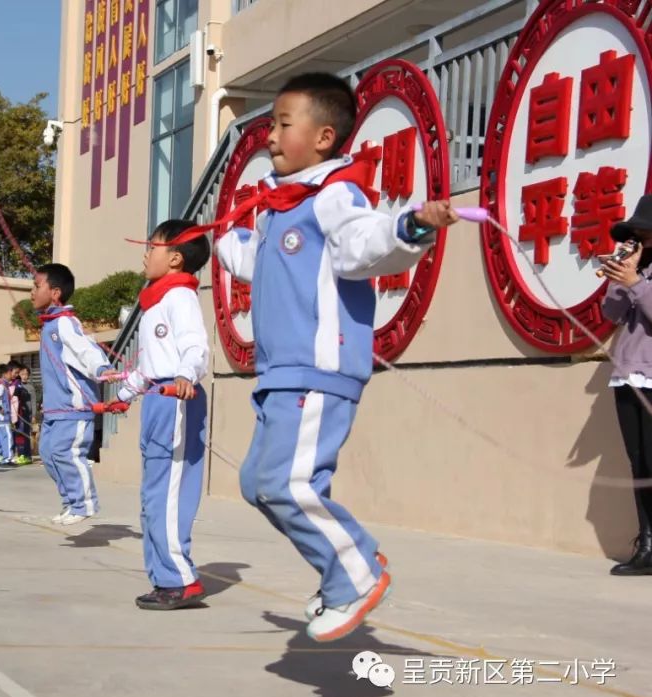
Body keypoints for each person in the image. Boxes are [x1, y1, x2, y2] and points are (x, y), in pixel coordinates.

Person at [215, 73, 458, 641]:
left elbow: (362, 242)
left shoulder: (333, 193)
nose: (270, 137)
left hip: (317, 370)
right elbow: (255, 261)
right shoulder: (282, 207)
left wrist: (412, 224)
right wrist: (213, 239)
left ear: (324, 137)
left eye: (282, 124)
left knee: (290, 484)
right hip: (280, 374)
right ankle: (344, 570)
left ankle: (356, 572)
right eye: (270, 125)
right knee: (259, 482)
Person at [115, 219, 211, 610]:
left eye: (150, 246)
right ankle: (164, 578)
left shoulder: (180, 298)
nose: (144, 253)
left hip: (175, 398)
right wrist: (123, 393)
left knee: (168, 495)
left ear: (174, 258)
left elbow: (195, 347)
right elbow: (150, 366)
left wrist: (188, 375)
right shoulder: (156, 301)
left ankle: (180, 580)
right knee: (153, 495)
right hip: (157, 397)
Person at [31, 263, 114, 526]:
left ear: (55, 293)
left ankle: (84, 503)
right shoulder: (49, 325)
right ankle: (70, 502)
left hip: (73, 408)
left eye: (36, 286)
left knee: (67, 453)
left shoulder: (65, 322)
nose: (31, 292)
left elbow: (85, 348)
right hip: (55, 409)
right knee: (48, 453)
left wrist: (102, 368)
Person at [601, 194, 652, 576]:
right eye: (635, 235)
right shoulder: (635, 270)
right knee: (639, 464)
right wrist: (619, 278)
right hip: (627, 373)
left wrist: (636, 283)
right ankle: (647, 545)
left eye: (645, 235)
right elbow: (612, 315)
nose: (638, 241)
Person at [13, 364, 34, 464]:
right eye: (22, 374)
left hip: (27, 415)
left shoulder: (30, 387)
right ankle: (20, 455)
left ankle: (28, 456)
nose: (24, 376)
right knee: (19, 435)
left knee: (26, 436)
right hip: (18, 415)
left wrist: (33, 415)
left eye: (26, 374)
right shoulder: (16, 386)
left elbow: (33, 402)